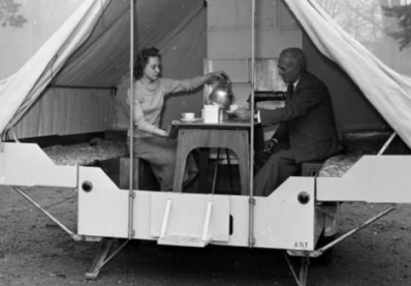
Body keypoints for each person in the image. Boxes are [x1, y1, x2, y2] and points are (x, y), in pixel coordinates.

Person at [231, 47, 340, 196]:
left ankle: (251, 201)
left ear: (297, 69)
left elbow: (290, 112)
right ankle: (272, 196)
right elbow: (290, 119)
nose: (280, 72)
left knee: (278, 160)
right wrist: (275, 140)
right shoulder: (294, 86)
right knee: (261, 155)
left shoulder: (311, 86)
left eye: (283, 69)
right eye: (279, 68)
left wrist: (254, 115)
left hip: (316, 145)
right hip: (301, 141)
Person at [125, 47, 226, 191]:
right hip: (138, 141)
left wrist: (208, 76)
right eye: (153, 67)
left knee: (184, 149)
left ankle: (177, 188)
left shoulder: (161, 84)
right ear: (142, 68)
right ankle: (168, 195)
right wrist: (164, 133)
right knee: (172, 159)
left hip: (155, 137)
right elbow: (140, 123)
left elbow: (186, 84)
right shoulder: (134, 91)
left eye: (158, 66)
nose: (158, 71)